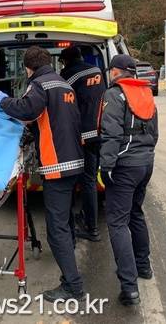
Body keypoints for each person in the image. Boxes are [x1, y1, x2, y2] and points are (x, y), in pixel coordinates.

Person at [0, 46, 85, 302]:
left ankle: (73, 287)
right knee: (66, 219)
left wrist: (3, 101)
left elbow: (27, 110)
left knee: (56, 230)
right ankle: (70, 255)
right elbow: (53, 119)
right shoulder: (64, 85)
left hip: (57, 165)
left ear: (28, 68)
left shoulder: (39, 85)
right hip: (75, 161)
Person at [99, 54, 158, 307]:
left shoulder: (114, 94)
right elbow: (154, 133)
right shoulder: (145, 92)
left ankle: (129, 286)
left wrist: (106, 166)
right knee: (136, 213)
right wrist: (145, 154)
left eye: (110, 70)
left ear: (115, 71)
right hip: (145, 163)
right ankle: (143, 266)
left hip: (124, 167)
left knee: (117, 223)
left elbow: (111, 134)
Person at [59, 46, 106, 242]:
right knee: (91, 179)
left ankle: (91, 228)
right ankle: (87, 216)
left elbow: (63, 105)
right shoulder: (97, 71)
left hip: (82, 136)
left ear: (65, 61)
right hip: (99, 133)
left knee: (85, 181)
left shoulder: (68, 76)